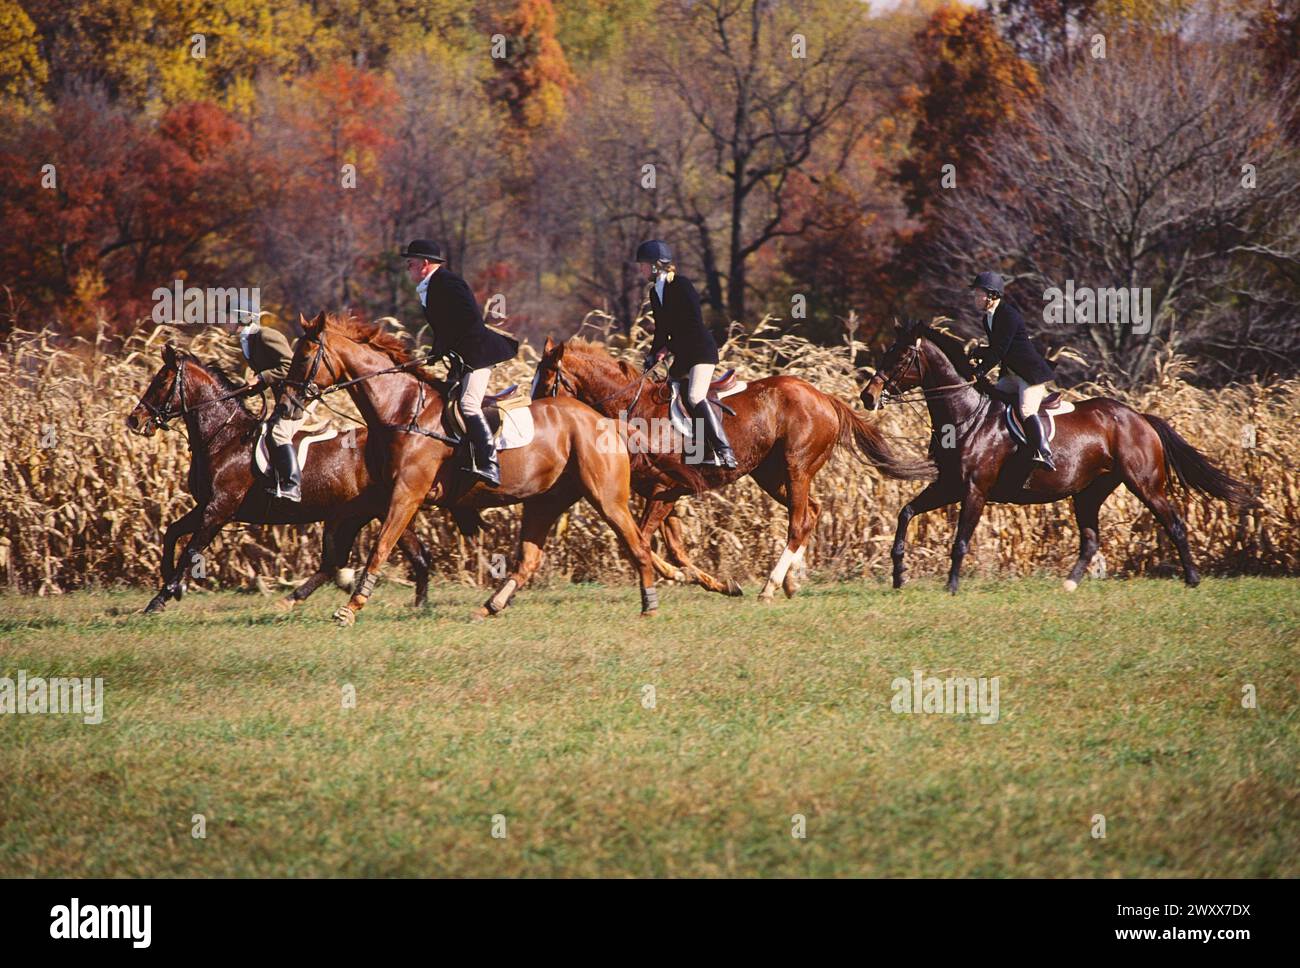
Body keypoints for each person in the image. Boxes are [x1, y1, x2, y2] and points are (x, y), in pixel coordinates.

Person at [401, 239, 519, 487]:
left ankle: (489, 463)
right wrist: (436, 352)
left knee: (468, 404)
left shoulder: (448, 283)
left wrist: (442, 348)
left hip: (478, 354)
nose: (407, 267)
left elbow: (470, 322)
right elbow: (446, 326)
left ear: (424, 263)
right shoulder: (431, 286)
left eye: (410, 263)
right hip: (462, 358)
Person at [636, 239, 737, 469]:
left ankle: (724, 450)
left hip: (700, 350)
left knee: (694, 397)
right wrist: (653, 354)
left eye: (642, 265)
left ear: (655, 265)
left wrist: (668, 348)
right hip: (683, 354)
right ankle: (697, 447)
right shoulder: (655, 292)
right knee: (668, 392)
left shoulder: (681, 285)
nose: (640, 269)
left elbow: (693, 323)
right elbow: (661, 329)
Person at [969, 271, 1057, 474]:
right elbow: (996, 348)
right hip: (1010, 374)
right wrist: (977, 352)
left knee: (1026, 410)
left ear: (992, 295)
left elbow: (999, 351)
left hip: (1029, 375)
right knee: (990, 402)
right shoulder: (988, 319)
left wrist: (979, 372)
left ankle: (1044, 452)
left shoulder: (1008, 315)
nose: (975, 297)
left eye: (978, 294)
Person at [235, 315, 305, 501]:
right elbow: (267, 376)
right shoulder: (248, 341)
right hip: (285, 398)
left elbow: (290, 365)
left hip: (298, 396)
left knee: (278, 433)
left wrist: (260, 378)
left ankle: (293, 485)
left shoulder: (266, 335)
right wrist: (242, 391)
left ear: (241, 317)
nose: (223, 321)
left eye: (227, 316)